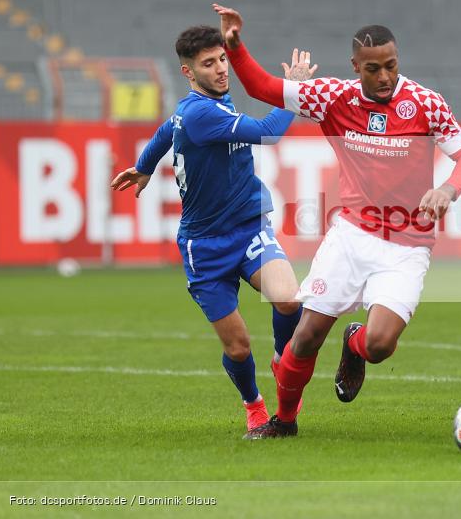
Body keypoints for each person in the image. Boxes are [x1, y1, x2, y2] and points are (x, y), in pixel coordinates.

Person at [213, 3, 461, 438]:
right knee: (303, 339)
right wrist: (236, 46)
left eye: (392, 66)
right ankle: (284, 422)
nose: (384, 77)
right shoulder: (334, 97)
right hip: (351, 236)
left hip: (407, 245)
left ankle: (354, 343)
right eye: (373, 68)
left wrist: (447, 189)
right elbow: (264, 87)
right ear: (355, 67)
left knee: (379, 346)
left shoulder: (425, 103)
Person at [110, 25, 311, 439]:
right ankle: (254, 405)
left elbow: (167, 129)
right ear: (188, 72)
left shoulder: (205, 103)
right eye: (209, 64)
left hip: (248, 227)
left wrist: (145, 165)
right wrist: (292, 89)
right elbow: (269, 132)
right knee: (237, 347)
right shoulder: (202, 114)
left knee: (289, 298)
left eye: (222, 59)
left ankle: (280, 361)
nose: (221, 69)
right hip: (205, 248)